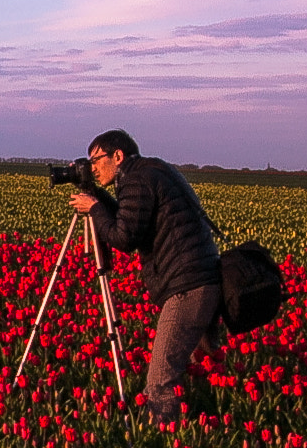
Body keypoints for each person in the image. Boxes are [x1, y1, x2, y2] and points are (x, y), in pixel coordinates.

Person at [68, 130, 220, 426]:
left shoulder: (136, 180)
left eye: (96, 161)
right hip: (200, 278)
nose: (93, 168)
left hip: (186, 286)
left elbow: (124, 237)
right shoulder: (151, 171)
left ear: (118, 156)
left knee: (160, 380)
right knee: (204, 367)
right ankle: (210, 424)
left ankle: (161, 439)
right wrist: (98, 197)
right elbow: (133, 221)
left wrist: (95, 209)